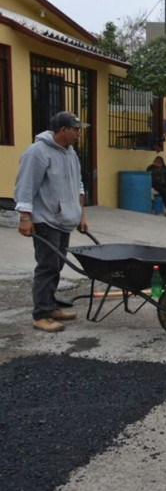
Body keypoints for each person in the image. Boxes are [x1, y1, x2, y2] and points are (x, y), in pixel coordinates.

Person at [13, 112, 89, 332]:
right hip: (45, 220)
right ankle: (41, 315)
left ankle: (51, 306)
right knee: (47, 266)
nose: (79, 134)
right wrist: (25, 217)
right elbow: (25, 186)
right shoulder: (37, 152)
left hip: (64, 219)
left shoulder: (70, 153)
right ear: (63, 130)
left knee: (57, 265)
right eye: (76, 130)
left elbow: (78, 185)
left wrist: (80, 214)